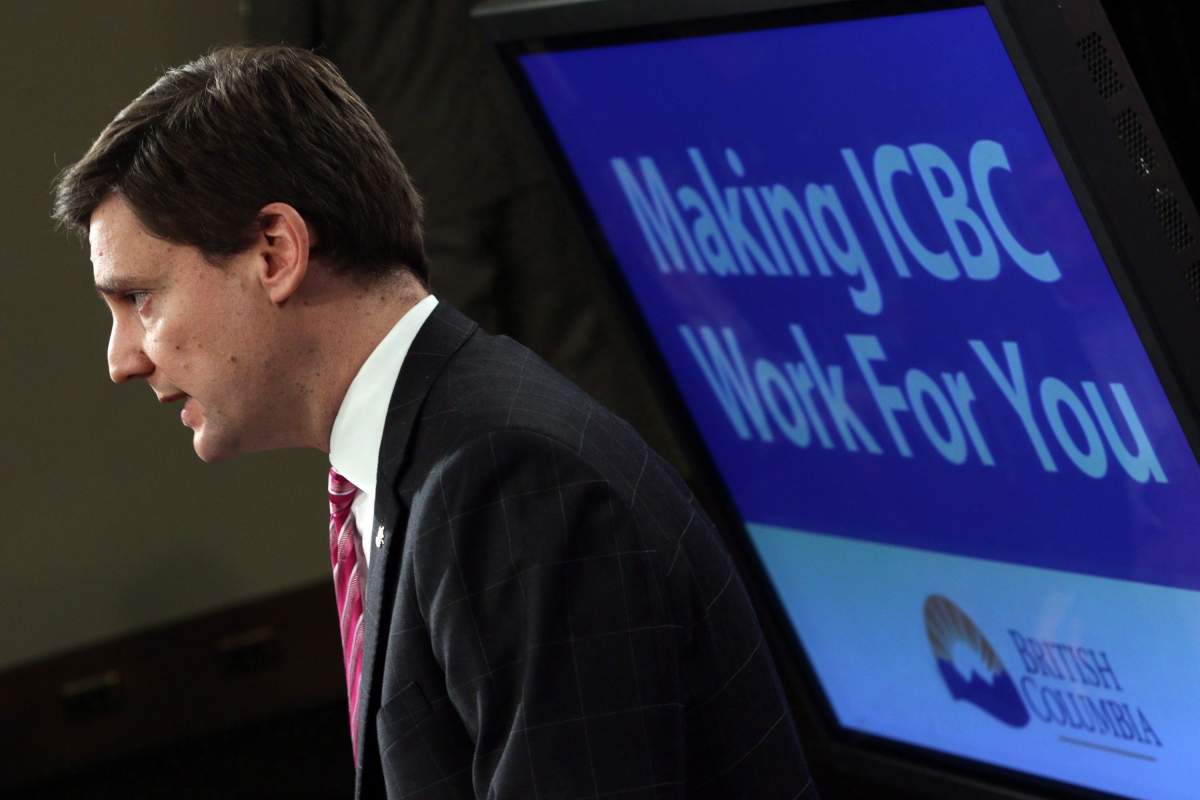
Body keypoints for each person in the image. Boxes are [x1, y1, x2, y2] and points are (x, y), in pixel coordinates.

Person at [52, 46, 818, 799]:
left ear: (275, 252)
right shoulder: (437, 451)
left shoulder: (509, 483)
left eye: (140, 299)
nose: (122, 359)